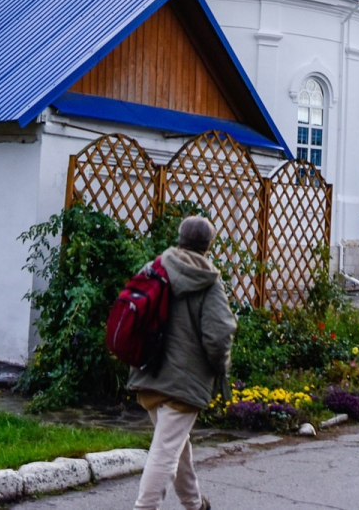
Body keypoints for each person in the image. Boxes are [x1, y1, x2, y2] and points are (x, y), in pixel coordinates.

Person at [129, 215, 236, 510]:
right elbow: (219, 336)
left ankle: (194, 504)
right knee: (165, 451)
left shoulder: (154, 268)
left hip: (149, 374)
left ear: (179, 238)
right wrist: (220, 368)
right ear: (208, 245)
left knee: (176, 445)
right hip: (183, 384)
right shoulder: (209, 282)